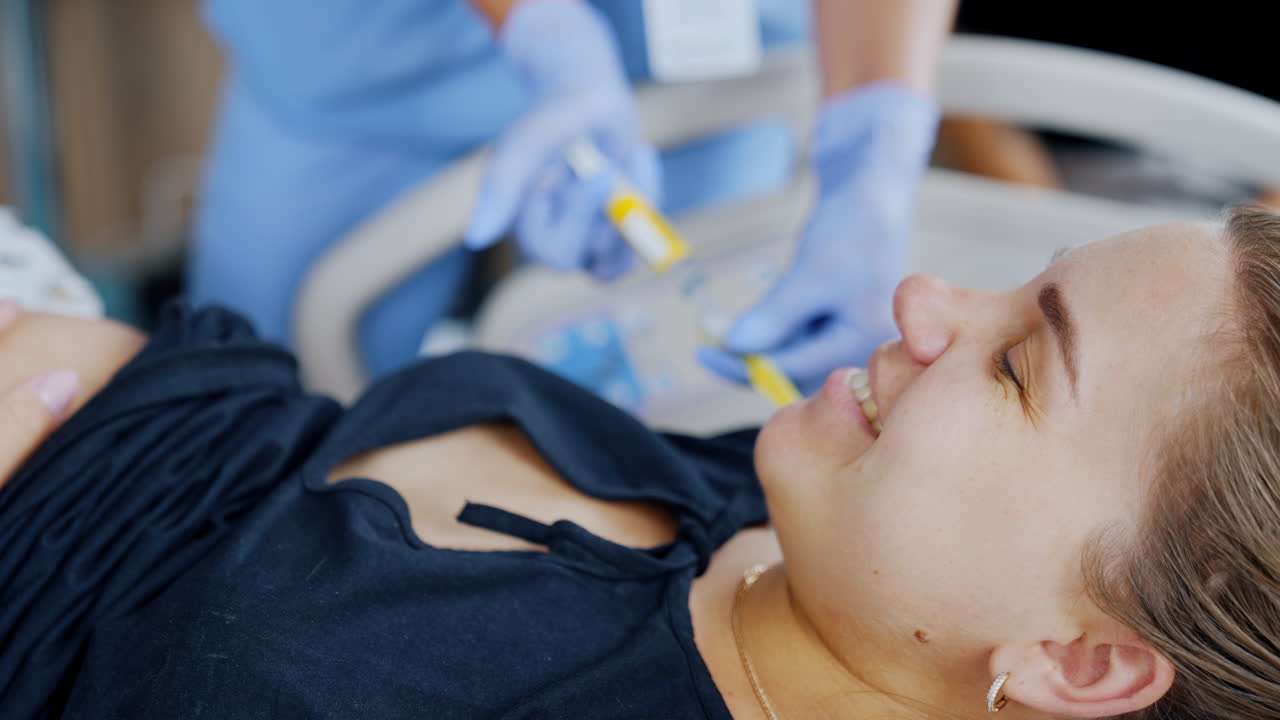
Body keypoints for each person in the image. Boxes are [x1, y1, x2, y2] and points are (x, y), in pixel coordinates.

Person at [5, 206, 1280, 718]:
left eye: (1013, 366)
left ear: (1080, 659)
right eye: (1023, 281)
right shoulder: (830, 546)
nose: (925, 298)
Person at [193, 0, 951, 395]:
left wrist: (873, 144)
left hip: (709, 68)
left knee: (675, 409)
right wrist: (543, 27)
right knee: (248, 389)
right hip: (369, 50)